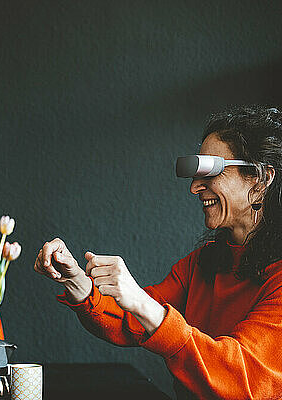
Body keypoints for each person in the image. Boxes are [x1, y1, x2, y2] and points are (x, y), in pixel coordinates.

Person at [34, 105, 282, 399]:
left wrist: (141, 302)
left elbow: (241, 378)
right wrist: (75, 279)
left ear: (261, 178)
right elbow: (130, 321)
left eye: (209, 171)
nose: (195, 187)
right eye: (194, 173)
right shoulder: (202, 263)